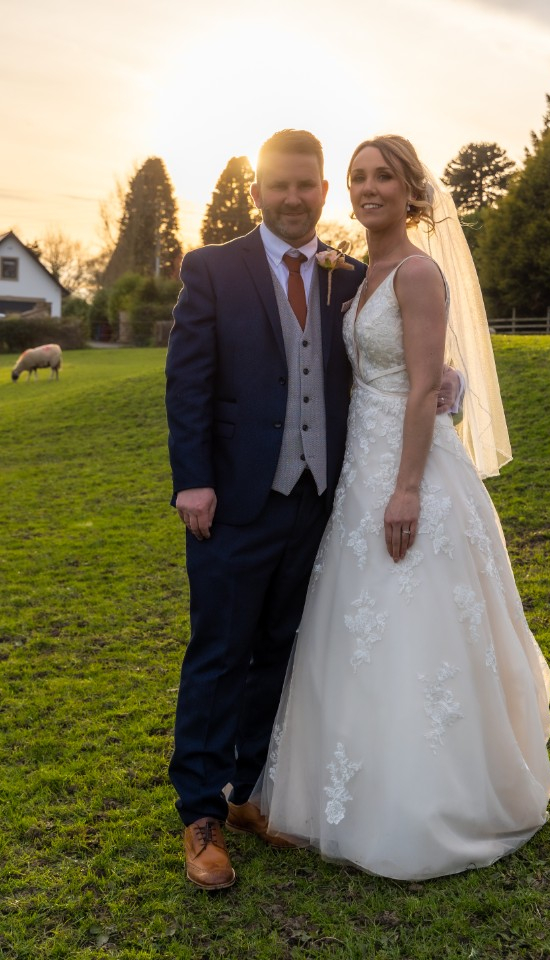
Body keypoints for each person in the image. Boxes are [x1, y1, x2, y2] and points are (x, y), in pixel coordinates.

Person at [165, 130, 462, 890]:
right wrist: (192, 479)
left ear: (322, 193)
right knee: (219, 654)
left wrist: (447, 380)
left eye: (308, 186)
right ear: (259, 191)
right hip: (232, 501)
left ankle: (249, 792)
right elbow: (188, 383)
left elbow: (398, 354)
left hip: (321, 503)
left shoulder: (351, 275)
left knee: (281, 651)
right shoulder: (213, 270)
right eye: (279, 186)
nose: (294, 198)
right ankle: (199, 815)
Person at [256, 135, 550, 881]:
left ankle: (433, 798)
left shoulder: (418, 273)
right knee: (357, 620)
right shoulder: (356, 274)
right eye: (357, 177)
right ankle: (358, 784)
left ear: (411, 189)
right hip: (358, 464)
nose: (367, 187)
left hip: (404, 468)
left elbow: (423, 387)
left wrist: (408, 488)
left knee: (418, 618)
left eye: (382, 175)